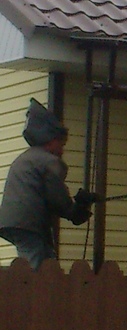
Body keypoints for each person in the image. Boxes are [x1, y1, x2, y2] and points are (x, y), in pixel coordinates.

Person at [0, 99, 96, 268]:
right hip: (29, 222)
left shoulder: (27, 157)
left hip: (15, 219)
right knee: (35, 261)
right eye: (61, 144)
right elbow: (57, 198)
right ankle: (32, 283)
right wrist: (76, 210)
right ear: (50, 140)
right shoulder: (50, 162)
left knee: (45, 256)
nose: (62, 150)